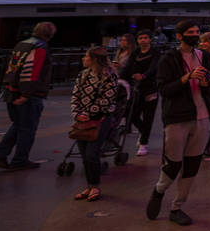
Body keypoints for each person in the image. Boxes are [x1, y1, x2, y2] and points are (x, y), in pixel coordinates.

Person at [146, 20, 210, 226]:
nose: (195, 35)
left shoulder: (204, 57)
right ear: (179, 36)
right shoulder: (169, 59)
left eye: (197, 32)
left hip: (202, 117)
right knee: (174, 163)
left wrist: (206, 83)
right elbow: (164, 89)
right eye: (190, 32)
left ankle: (177, 207)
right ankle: (159, 190)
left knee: (192, 164)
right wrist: (187, 77)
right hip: (177, 117)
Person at [0, 21, 56, 171]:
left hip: (11, 90)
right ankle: (20, 160)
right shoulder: (40, 47)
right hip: (28, 93)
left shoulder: (21, 44)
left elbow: (11, 68)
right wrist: (26, 94)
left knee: (18, 125)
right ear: (49, 34)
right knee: (28, 129)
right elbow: (32, 71)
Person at [69, 46, 120, 202]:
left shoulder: (109, 77)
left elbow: (106, 100)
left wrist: (88, 113)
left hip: (100, 119)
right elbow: (75, 95)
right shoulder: (82, 75)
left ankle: (95, 186)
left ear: (94, 60)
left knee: (92, 153)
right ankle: (90, 186)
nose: (83, 59)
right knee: (85, 154)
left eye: (86, 56)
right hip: (82, 120)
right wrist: (77, 113)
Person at [121, 30, 160, 157]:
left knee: (148, 117)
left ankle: (144, 144)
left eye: (145, 38)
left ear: (150, 40)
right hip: (137, 88)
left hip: (151, 88)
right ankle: (144, 132)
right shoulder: (136, 52)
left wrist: (144, 76)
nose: (143, 40)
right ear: (137, 40)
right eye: (140, 38)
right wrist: (122, 78)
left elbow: (154, 67)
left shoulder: (155, 52)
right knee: (131, 114)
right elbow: (128, 66)